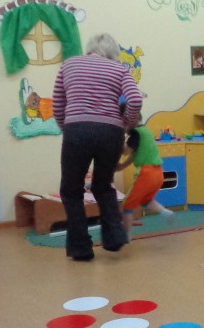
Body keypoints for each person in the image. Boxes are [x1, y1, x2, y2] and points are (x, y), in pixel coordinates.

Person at [52, 33, 142, 261]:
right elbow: (135, 99)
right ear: (113, 53)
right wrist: (126, 123)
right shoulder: (120, 69)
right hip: (111, 133)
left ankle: (81, 248)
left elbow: (58, 105)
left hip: (76, 131)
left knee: (71, 190)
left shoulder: (68, 65)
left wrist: (68, 127)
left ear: (89, 49)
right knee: (103, 185)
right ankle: (114, 237)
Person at [116, 126, 174, 241]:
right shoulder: (146, 132)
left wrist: (115, 140)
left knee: (127, 205)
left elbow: (125, 151)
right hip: (158, 173)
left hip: (146, 174)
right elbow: (132, 155)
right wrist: (120, 166)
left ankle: (126, 235)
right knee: (145, 200)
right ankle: (166, 212)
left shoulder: (136, 133)